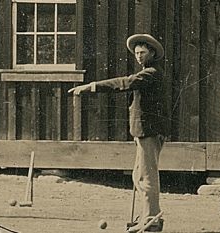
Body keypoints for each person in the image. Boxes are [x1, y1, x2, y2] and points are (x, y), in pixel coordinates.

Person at [68, 34, 168, 232]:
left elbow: (125, 83)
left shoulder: (151, 73)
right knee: (139, 175)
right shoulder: (148, 72)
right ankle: (148, 216)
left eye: (143, 52)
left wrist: (91, 86)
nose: (139, 56)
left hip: (149, 130)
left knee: (146, 177)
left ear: (153, 53)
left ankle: (151, 220)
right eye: (137, 53)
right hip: (143, 130)